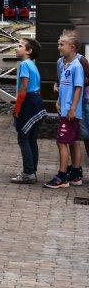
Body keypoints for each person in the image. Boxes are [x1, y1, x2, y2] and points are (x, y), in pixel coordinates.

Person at [45, 30, 84, 188]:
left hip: (70, 112)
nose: (59, 47)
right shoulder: (64, 64)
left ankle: (62, 177)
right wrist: (58, 102)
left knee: (61, 142)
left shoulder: (76, 66)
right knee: (73, 141)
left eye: (62, 44)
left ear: (72, 47)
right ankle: (75, 174)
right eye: (58, 44)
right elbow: (63, 87)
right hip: (65, 109)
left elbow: (78, 88)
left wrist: (73, 108)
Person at [10, 38, 47, 183]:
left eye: (20, 46)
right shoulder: (33, 65)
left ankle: (28, 172)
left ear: (29, 51)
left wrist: (17, 107)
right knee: (32, 139)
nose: (16, 48)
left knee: (23, 136)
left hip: (29, 102)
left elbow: (24, 87)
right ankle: (32, 170)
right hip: (37, 102)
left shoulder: (24, 64)